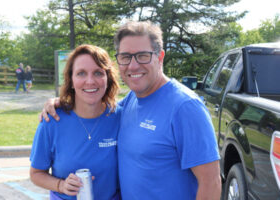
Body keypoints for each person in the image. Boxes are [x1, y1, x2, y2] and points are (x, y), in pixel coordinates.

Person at [41, 21, 221, 200]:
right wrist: (63, 102)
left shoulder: (185, 107)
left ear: (160, 57)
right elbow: (96, 107)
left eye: (143, 55)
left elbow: (211, 182)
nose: (133, 66)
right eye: (126, 57)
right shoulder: (131, 101)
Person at [30, 44, 121, 200]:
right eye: (81, 73)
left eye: (98, 73)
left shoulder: (121, 117)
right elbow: (36, 173)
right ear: (71, 81)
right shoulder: (51, 121)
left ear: (108, 78)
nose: (90, 81)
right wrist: (61, 185)